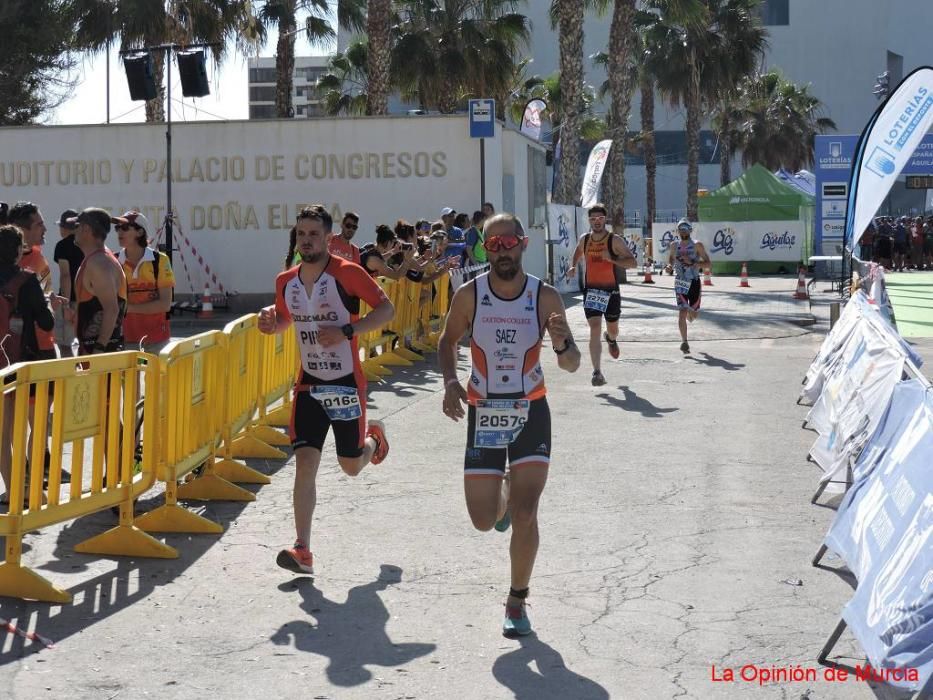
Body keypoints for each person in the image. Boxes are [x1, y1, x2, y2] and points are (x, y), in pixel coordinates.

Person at [439, 213, 580, 637]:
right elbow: (447, 341)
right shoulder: (470, 295)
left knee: (527, 511)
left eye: (508, 242)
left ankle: (517, 600)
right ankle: (501, 488)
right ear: (485, 249)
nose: (501, 251)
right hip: (484, 411)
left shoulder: (546, 297)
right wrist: (449, 382)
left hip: (531, 411)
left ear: (523, 244)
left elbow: (571, 364)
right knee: (484, 520)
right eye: (492, 245)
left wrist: (561, 343)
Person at [259, 205, 395, 575]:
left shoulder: (348, 273)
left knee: (350, 466)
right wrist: (272, 323)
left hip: (346, 382)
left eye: (313, 234)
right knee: (305, 463)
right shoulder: (285, 280)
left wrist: (348, 331)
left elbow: (387, 311)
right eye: (301, 233)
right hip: (309, 384)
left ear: (328, 237)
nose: (306, 240)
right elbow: (286, 317)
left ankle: (374, 441)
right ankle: (303, 549)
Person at [0, 224, 57, 506]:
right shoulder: (27, 279)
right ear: (18, 250)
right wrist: (48, 304)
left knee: (3, 432)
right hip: (22, 363)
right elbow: (47, 322)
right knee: (27, 428)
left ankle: (11, 492)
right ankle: (29, 490)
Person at [565, 203, 636, 386]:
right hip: (592, 291)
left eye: (600, 219)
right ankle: (597, 372)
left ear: (605, 219)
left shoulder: (615, 240)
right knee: (594, 328)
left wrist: (611, 258)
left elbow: (632, 263)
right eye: (593, 219)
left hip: (610, 291)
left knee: (613, 329)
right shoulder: (585, 239)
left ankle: (611, 339)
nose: (597, 222)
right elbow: (578, 251)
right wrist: (573, 265)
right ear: (589, 221)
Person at [69, 208, 127, 355]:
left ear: (86, 229)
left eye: (76, 226)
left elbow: (112, 309)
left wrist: (99, 348)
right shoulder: (97, 259)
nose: (73, 231)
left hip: (101, 356)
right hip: (95, 352)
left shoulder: (99, 263)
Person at [116, 211, 175, 354]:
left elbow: (165, 305)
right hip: (126, 340)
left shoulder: (161, 260)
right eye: (117, 228)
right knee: (130, 378)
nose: (119, 232)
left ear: (140, 232)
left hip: (157, 340)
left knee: (155, 377)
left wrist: (127, 308)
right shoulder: (115, 261)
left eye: (124, 228)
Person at [8, 202, 57, 361]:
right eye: (39, 224)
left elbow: (44, 293)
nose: (45, 229)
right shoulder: (11, 264)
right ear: (22, 230)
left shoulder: (38, 253)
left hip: (46, 343)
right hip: (23, 349)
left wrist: (50, 300)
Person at [665, 219, 710, 354]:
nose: (683, 230)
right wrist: (669, 267)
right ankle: (684, 342)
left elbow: (708, 263)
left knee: (693, 314)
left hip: (694, 282)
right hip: (680, 282)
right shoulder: (674, 245)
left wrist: (694, 264)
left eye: (685, 228)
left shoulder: (697, 245)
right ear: (678, 231)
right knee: (682, 312)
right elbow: (671, 259)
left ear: (690, 230)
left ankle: (691, 313)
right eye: (680, 228)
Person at [53, 208, 83, 355]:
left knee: (65, 344)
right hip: (87, 298)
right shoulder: (86, 244)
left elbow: (65, 276)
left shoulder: (62, 246)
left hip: (70, 300)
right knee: (85, 342)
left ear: (64, 228)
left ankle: (70, 373)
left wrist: (66, 306)